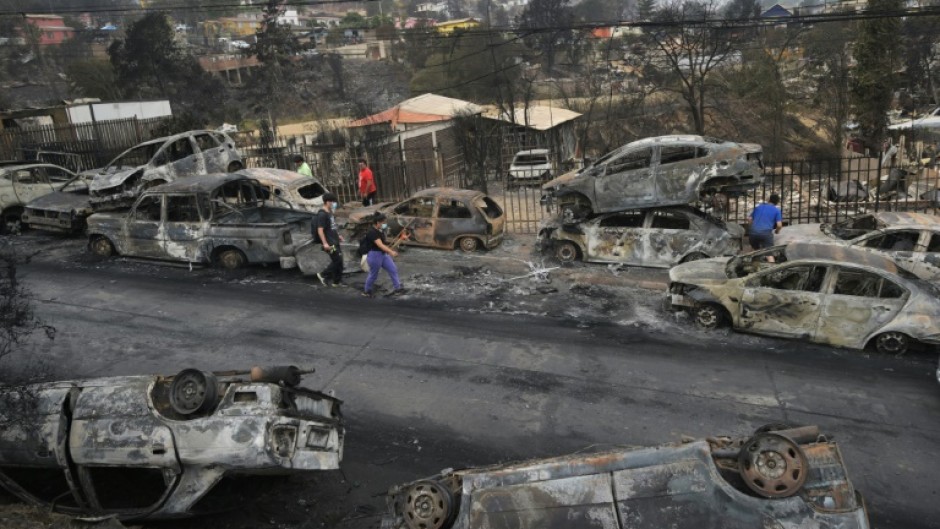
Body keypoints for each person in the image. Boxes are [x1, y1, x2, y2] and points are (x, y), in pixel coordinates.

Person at [361, 213, 404, 298]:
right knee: (374, 274)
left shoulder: (380, 230)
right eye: (383, 222)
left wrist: (401, 239)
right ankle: (367, 291)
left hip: (383, 254)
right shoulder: (372, 232)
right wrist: (391, 252)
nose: (385, 224)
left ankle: (398, 288)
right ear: (378, 222)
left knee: (393, 269)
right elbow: (380, 245)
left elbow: (384, 244)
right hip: (374, 255)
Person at [315, 193, 344, 286]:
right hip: (330, 243)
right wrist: (325, 243)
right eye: (332, 202)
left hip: (335, 240)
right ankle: (323, 275)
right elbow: (320, 230)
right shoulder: (322, 215)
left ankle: (336, 282)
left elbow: (332, 227)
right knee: (337, 260)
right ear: (327, 202)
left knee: (340, 262)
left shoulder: (330, 213)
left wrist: (338, 235)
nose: (334, 204)